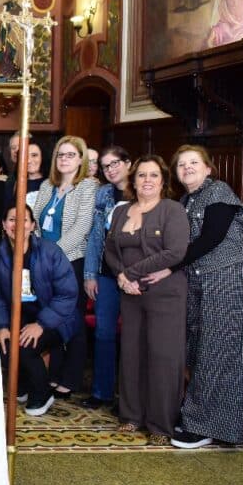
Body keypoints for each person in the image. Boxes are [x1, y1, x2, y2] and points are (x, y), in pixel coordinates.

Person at [164, 145, 243, 449]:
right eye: (181, 164)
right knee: (202, 352)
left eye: (194, 162)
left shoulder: (219, 192)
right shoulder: (185, 200)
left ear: (208, 168)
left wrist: (168, 266)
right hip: (201, 283)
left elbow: (212, 238)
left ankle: (203, 425)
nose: (187, 168)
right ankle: (206, 421)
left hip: (226, 283)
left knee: (219, 354)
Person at [103, 155, 189, 446]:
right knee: (132, 354)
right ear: (133, 180)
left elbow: (175, 252)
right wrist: (122, 278)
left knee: (163, 358)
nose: (147, 180)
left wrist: (130, 273)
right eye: (142, 175)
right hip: (130, 294)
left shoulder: (172, 210)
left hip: (165, 294)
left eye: (154, 175)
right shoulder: (121, 211)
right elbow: (110, 250)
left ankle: (161, 425)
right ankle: (131, 415)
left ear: (163, 181)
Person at [0, 205, 79, 417]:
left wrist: (41, 324)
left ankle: (42, 393)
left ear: (32, 225)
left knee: (26, 346)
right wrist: (1, 326)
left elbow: (67, 294)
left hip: (54, 318)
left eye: (24, 220)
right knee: (3, 345)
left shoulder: (50, 251)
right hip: (17, 317)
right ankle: (24, 384)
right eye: (11, 219)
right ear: (3, 224)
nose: (17, 225)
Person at [30, 136, 97, 398]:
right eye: (60, 155)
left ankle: (71, 378)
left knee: (73, 321)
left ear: (80, 159)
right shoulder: (48, 185)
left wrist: (53, 255)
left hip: (70, 261)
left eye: (70, 155)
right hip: (43, 261)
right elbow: (34, 220)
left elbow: (82, 226)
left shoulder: (87, 187)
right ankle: (54, 373)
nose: (64, 160)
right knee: (51, 318)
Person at [81, 146, 132, 410]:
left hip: (137, 276)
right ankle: (102, 392)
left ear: (128, 163)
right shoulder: (103, 193)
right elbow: (94, 237)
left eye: (115, 164)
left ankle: (130, 397)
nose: (111, 170)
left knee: (134, 336)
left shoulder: (143, 190)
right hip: (106, 275)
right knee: (103, 333)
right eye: (105, 166)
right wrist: (90, 274)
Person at [4, 143, 45, 210]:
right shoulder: (12, 184)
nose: (29, 160)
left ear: (43, 157)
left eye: (34, 155)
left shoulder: (52, 184)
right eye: (25, 156)